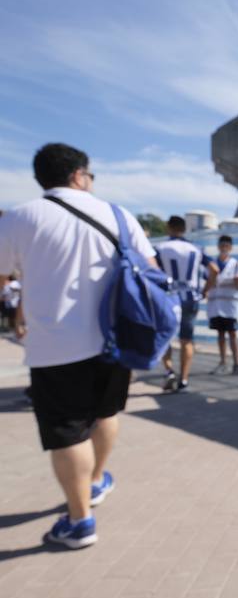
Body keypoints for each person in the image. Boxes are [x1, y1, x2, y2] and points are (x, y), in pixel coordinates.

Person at [0, 142, 157, 549]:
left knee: (68, 434)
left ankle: (79, 519)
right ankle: (95, 481)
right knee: (105, 414)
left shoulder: (19, 217)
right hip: (115, 341)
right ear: (77, 175)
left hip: (54, 346)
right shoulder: (119, 215)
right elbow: (151, 270)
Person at [155, 216, 218, 392]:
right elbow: (214, 269)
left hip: (167, 298)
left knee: (164, 337)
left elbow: (150, 270)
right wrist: (206, 290)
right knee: (187, 340)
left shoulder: (160, 249)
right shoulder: (196, 249)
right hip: (190, 298)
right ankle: (183, 380)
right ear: (184, 229)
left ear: (168, 228)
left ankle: (169, 371)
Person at [207, 235, 238, 375]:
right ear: (218, 246)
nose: (224, 248)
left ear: (230, 247)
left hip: (230, 306)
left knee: (232, 334)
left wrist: (237, 280)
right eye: (222, 245)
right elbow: (207, 282)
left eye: (227, 245)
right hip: (216, 305)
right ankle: (222, 363)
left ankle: (237, 363)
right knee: (220, 334)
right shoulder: (211, 264)